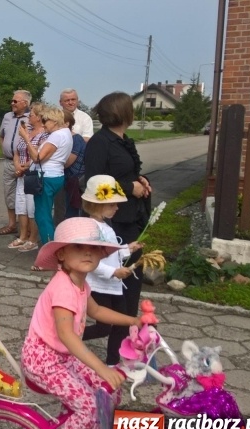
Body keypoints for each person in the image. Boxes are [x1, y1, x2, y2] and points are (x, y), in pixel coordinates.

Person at [22, 217, 142, 429]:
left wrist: (133, 320)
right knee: (89, 406)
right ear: (61, 254)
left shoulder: (80, 283)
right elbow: (68, 336)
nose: (88, 253)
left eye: (94, 248)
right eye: (79, 247)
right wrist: (102, 367)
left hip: (62, 358)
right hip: (43, 362)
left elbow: (97, 310)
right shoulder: (63, 289)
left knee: (110, 391)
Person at [84, 91, 152, 357]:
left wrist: (141, 180)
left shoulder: (123, 140)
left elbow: (126, 173)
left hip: (132, 220)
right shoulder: (100, 143)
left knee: (131, 290)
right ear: (124, 113)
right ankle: (111, 355)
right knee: (117, 300)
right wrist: (128, 188)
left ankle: (120, 354)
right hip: (114, 224)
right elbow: (92, 185)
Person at [80, 175, 144, 365]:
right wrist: (113, 272)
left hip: (114, 286)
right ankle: (69, 338)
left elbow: (109, 252)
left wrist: (127, 248)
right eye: (112, 205)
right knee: (104, 327)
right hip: (99, 286)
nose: (117, 208)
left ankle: (112, 361)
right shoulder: (91, 229)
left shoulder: (106, 226)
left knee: (122, 323)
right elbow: (89, 260)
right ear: (97, 206)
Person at [19, 106, 72, 248]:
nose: (43, 124)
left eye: (45, 121)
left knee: (42, 216)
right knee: (44, 213)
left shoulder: (56, 136)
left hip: (46, 178)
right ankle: (52, 247)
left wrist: (26, 138)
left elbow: (37, 157)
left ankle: (50, 251)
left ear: (54, 121)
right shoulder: (66, 133)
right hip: (56, 175)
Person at [8, 102, 45, 253]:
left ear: (39, 117)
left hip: (33, 174)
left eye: (32, 114)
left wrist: (25, 167)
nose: (29, 116)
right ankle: (23, 236)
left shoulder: (44, 134)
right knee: (21, 206)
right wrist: (17, 166)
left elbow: (40, 155)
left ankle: (33, 239)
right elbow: (18, 151)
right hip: (22, 175)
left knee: (32, 208)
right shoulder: (27, 131)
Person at [0, 90, 31, 236]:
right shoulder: (7, 116)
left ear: (25, 103)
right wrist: (5, 150)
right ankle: (12, 224)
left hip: (25, 164)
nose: (12, 103)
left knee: (25, 196)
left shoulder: (32, 118)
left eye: (15, 101)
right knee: (9, 194)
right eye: (12, 101)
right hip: (9, 162)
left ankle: (27, 228)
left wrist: (26, 162)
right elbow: (1, 136)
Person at [62, 110, 87, 219]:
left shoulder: (76, 139)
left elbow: (68, 162)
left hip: (75, 179)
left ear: (67, 123)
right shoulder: (64, 137)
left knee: (73, 210)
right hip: (68, 178)